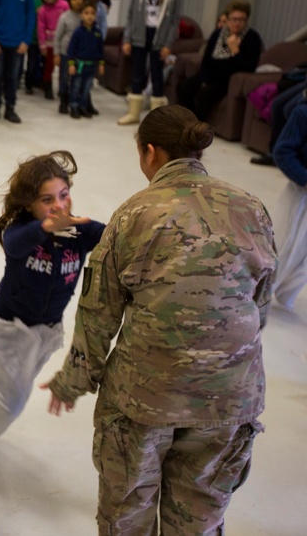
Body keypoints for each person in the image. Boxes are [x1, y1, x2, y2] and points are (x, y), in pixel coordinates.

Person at [44, 105, 275, 533]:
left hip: (145, 399)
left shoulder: (135, 214)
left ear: (150, 152)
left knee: (128, 512)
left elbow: (99, 313)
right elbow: (259, 303)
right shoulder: (251, 208)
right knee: (201, 516)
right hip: (230, 399)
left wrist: (73, 381)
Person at [0, 151, 103, 475]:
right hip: (6, 326)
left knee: (11, 390)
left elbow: (116, 237)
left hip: (44, 330)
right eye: (46, 199)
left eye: (63, 195)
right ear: (29, 204)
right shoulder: (22, 230)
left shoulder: (80, 232)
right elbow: (13, 245)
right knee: (10, 400)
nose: (58, 205)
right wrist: (45, 227)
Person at [117, 0, 181, 125]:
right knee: (137, 73)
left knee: (157, 74)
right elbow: (130, 14)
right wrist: (127, 38)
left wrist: (169, 44)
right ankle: (134, 113)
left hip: (159, 35)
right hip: (140, 33)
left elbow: (175, 19)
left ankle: (157, 118)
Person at [178, 0, 262, 121]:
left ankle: (198, 127)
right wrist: (204, 79)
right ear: (227, 20)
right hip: (210, 75)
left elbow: (249, 66)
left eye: (242, 19)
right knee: (183, 86)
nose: (238, 23)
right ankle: (187, 121)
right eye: (234, 19)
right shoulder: (218, 34)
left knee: (204, 94)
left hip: (227, 81)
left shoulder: (252, 38)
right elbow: (206, 59)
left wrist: (235, 51)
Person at [271, 102, 307, 310]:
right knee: (283, 245)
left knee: (302, 255)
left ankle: (287, 292)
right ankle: (259, 292)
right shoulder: (302, 113)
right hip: (299, 194)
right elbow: (283, 151)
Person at [66, 3, 105, 119]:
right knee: (76, 86)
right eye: (86, 13)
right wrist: (71, 64)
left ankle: (83, 106)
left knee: (87, 88)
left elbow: (100, 50)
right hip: (79, 65)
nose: (89, 16)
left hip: (91, 65)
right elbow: (71, 49)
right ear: (81, 15)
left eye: (92, 13)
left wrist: (101, 64)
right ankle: (73, 106)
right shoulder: (78, 32)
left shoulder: (98, 32)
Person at [53, 0, 84, 115]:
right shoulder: (64, 17)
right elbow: (58, 36)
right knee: (64, 78)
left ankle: (75, 102)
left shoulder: (86, 16)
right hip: (66, 53)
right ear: (69, 1)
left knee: (77, 79)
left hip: (81, 55)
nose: (77, 1)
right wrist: (56, 54)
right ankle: (63, 101)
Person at [36, 0, 67, 100]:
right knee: (49, 67)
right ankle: (47, 88)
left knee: (63, 68)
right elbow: (40, 28)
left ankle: (63, 89)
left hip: (63, 43)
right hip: (49, 44)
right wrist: (42, 45)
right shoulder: (43, 10)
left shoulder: (64, 6)